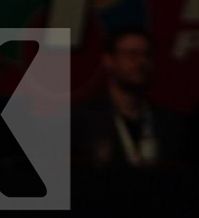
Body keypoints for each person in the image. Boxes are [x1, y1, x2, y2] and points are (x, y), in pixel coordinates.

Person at [72, 28, 186, 168]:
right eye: (131, 54)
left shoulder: (170, 124)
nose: (140, 62)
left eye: (147, 55)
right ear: (108, 60)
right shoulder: (81, 122)